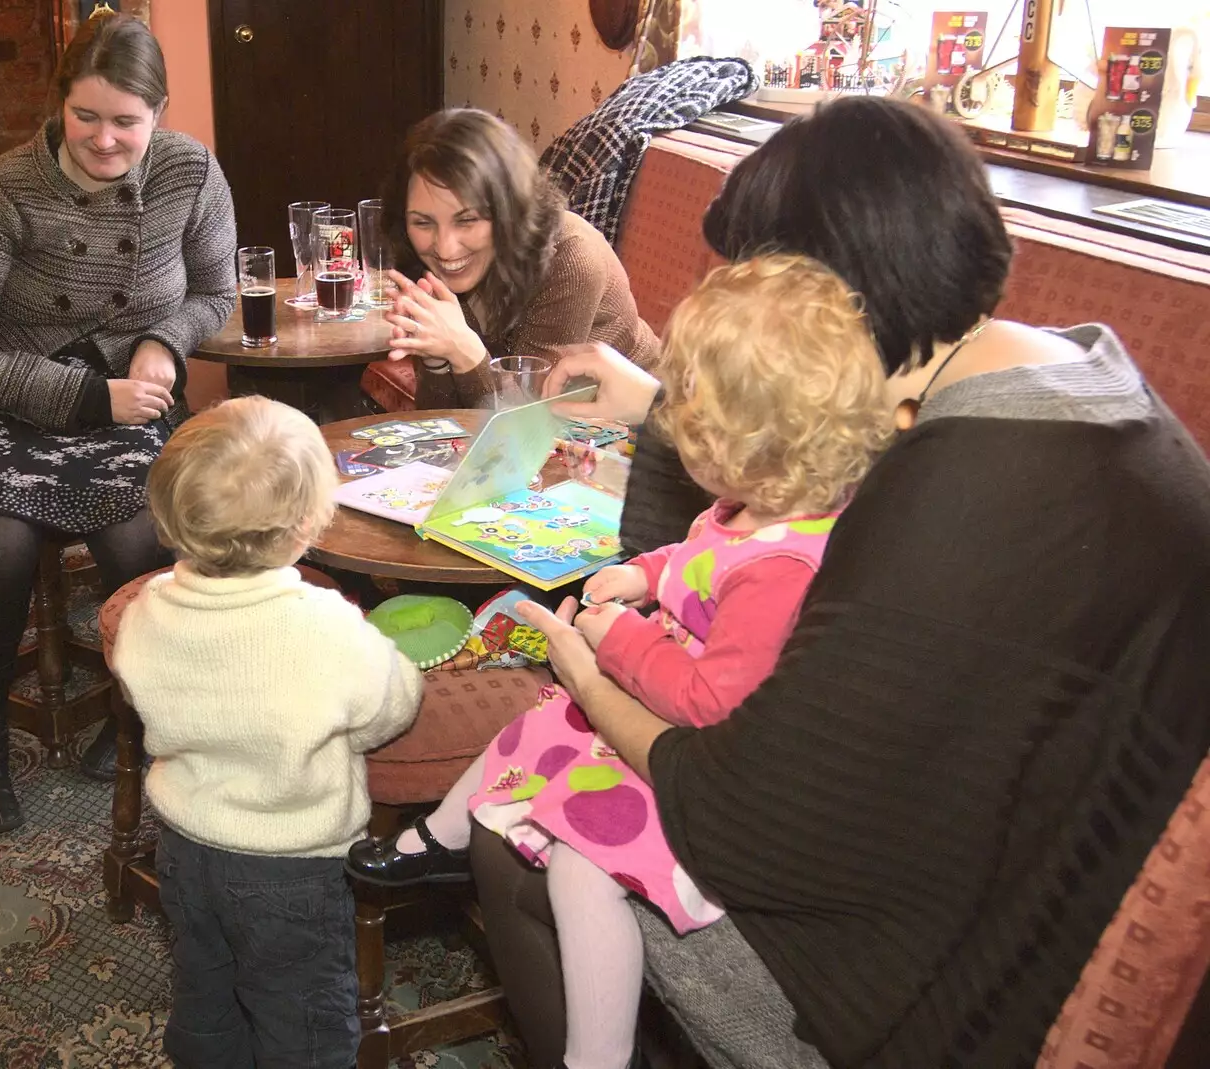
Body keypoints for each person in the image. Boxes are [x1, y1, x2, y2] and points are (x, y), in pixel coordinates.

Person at [473, 96, 1210, 1069]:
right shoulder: (1077, 374)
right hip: (1009, 870)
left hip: (936, 990)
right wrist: (665, 409)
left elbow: (735, 819)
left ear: (831, 304)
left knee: (526, 824)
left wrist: (587, 671)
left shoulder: (953, 494)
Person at [347, 256, 892, 1069]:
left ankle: (593, 1057)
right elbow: (698, 552)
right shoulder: (759, 503)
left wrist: (618, 641)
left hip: (695, 762)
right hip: (653, 706)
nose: (682, 444)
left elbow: (710, 700)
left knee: (581, 872)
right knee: (532, 723)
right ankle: (442, 837)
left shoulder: (786, 568)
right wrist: (645, 573)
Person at [0, 11, 236, 833]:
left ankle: (143, 715)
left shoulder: (192, 172)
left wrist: (162, 340)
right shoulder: (5, 190)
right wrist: (87, 398)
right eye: (87, 117)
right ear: (58, 106)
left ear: (158, 112)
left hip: (128, 401)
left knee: (135, 539)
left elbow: (215, 292)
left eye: (127, 121)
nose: (105, 140)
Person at [109, 396, 422, 1069]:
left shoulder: (147, 609)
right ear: (307, 524)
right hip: (293, 871)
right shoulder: (325, 624)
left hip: (185, 850)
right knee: (303, 1018)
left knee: (205, 995)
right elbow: (388, 708)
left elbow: (142, 692)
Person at [377, 107, 661, 409]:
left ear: (508, 210)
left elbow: (523, 429)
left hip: (643, 436)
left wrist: (464, 350)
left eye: (468, 220)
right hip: (554, 440)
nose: (445, 249)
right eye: (423, 223)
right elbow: (443, 423)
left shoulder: (571, 257)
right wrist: (437, 362)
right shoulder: (428, 264)